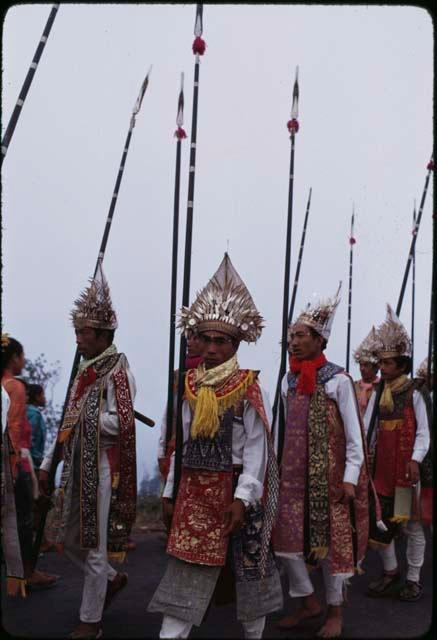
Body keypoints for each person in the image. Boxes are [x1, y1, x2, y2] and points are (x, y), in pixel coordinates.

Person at [148, 253, 282, 639]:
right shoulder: (189, 386)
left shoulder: (250, 389)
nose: (210, 348)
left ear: (236, 344)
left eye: (220, 341)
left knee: (249, 572)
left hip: (237, 490)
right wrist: (170, 490)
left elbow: (257, 451)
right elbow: (183, 443)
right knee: (184, 574)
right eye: (204, 339)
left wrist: (244, 498)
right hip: (194, 490)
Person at [39, 262, 137, 639]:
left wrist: (87, 420)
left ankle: (90, 622)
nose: (78, 337)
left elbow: (122, 422)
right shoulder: (84, 371)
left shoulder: (117, 368)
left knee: (93, 547)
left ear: (102, 334)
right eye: (77, 330)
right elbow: (67, 420)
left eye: (83, 332)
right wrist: (50, 462)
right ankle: (111, 580)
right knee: (70, 543)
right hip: (76, 465)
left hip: (101, 466)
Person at [273, 286, 370, 639]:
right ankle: (307, 601)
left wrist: (349, 478)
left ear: (319, 340)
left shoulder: (339, 381)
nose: (293, 343)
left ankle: (335, 611)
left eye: (300, 336)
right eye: (290, 337)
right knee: (286, 542)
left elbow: (354, 436)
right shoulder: (289, 379)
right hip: (293, 477)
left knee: (331, 547)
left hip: (330, 479)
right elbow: (284, 429)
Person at [364, 305, 431, 602]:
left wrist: (415, 459)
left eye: (388, 363)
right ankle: (391, 572)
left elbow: (423, 432)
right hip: (382, 472)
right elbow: (368, 426)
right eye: (381, 362)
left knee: (409, 524)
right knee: (381, 521)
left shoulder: (415, 393)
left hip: (404, 471)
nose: (383, 367)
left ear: (402, 365)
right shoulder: (379, 392)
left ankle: (414, 579)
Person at [1, 335, 57, 593]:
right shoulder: (16, 387)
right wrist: (14, 468)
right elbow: (13, 429)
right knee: (21, 519)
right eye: (21, 356)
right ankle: (26, 572)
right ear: (14, 358)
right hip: (17, 461)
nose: (23, 361)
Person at [157, 331, 203, 482]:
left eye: (195, 338)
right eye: (188, 337)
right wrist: (161, 450)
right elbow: (169, 414)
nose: (189, 343)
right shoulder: (178, 375)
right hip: (175, 448)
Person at [352, 327, 380, 417]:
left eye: (366, 365)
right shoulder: (353, 386)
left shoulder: (382, 387)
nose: (362, 369)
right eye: (361, 365)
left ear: (376, 368)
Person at [27, 384, 47, 471]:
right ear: (37, 397)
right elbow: (29, 438)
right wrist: (38, 459)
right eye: (43, 395)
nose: (44, 398)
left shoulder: (28, 411)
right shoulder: (34, 414)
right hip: (31, 463)